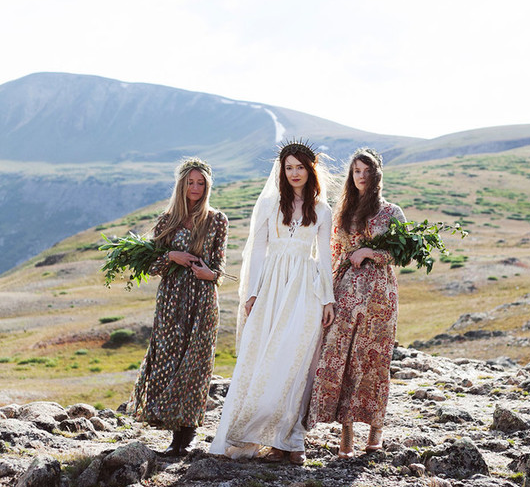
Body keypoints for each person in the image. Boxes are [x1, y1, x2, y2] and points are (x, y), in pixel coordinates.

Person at [209, 141, 334, 465]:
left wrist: (327, 300)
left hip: (305, 289)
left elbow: (323, 258)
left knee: (296, 363)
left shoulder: (322, 209)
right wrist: (252, 293)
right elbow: (259, 251)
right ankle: (254, 435)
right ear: (282, 170)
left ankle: (291, 441)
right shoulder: (270, 205)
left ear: (310, 170)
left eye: (300, 167)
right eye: (289, 167)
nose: (294, 173)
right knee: (263, 359)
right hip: (271, 289)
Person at [306, 148, 405, 457]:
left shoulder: (392, 212)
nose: (361, 176)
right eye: (356, 171)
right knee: (342, 358)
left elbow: (403, 253)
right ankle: (346, 429)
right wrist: (328, 296)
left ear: (376, 175)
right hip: (346, 293)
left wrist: (370, 253)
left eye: (366, 171)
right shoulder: (344, 211)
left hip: (379, 296)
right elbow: (334, 254)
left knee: (375, 360)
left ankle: (375, 429)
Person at [128, 157, 228, 455]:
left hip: (202, 299)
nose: (195, 188)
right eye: (190, 182)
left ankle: (186, 437)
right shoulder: (166, 220)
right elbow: (152, 265)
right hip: (172, 299)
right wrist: (173, 256)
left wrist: (209, 274)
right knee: (169, 359)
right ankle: (171, 430)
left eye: (201, 183)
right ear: (181, 184)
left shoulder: (217, 219)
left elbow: (220, 267)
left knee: (195, 365)